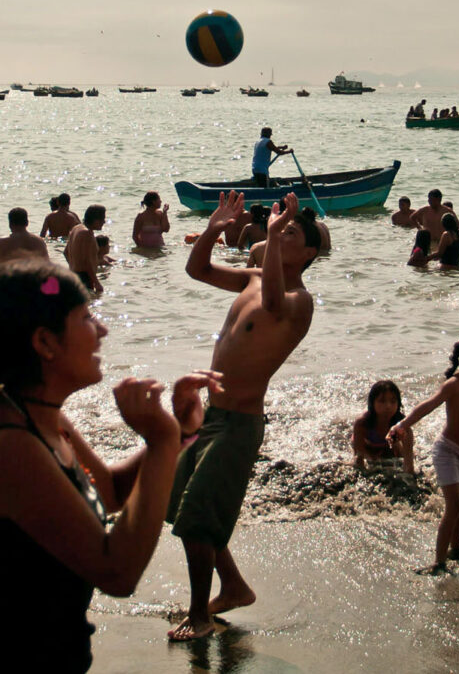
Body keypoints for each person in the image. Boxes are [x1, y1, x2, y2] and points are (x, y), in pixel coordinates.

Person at [0, 261, 216, 673]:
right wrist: (160, 443)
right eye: (87, 317)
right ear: (45, 343)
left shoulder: (35, 414)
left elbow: (106, 491)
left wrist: (177, 432)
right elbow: (117, 573)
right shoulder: (10, 448)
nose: (102, 330)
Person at [167, 190, 320, 641]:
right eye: (281, 228)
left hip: (238, 425)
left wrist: (271, 237)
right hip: (211, 416)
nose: (280, 232)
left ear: (309, 253)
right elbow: (197, 270)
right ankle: (232, 586)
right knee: (179, 506)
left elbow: (273, 304)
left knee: (196, 517)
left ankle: (199, 616)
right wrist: (214, 228)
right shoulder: (253, 277)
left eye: (291, 233)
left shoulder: (299, 300)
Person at [387, 333, 459, 574]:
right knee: (453, 506)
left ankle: (456, 550)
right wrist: (401, 426)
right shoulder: (454, 385)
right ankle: (438, 561)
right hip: (446, 451)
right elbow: (426, 406)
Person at [352, 380, 415, 474]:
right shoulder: (362, 423)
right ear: (372, 403)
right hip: (367, 446)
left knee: (397, 455)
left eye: (393, 401)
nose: (388, 406)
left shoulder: (402, 425)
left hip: (389, 444)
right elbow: (359, 459)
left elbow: (409, 463)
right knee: (371, 461)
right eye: (382, 401)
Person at [65, 205, 107, 294]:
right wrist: (96, 282)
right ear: (95, 219)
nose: (104, 221)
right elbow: (86, 262)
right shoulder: (87, 234)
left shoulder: (77, 228)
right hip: (84, 278)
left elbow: (65, 252)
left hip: (73, 275)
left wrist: (73, 267)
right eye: (102, 219)